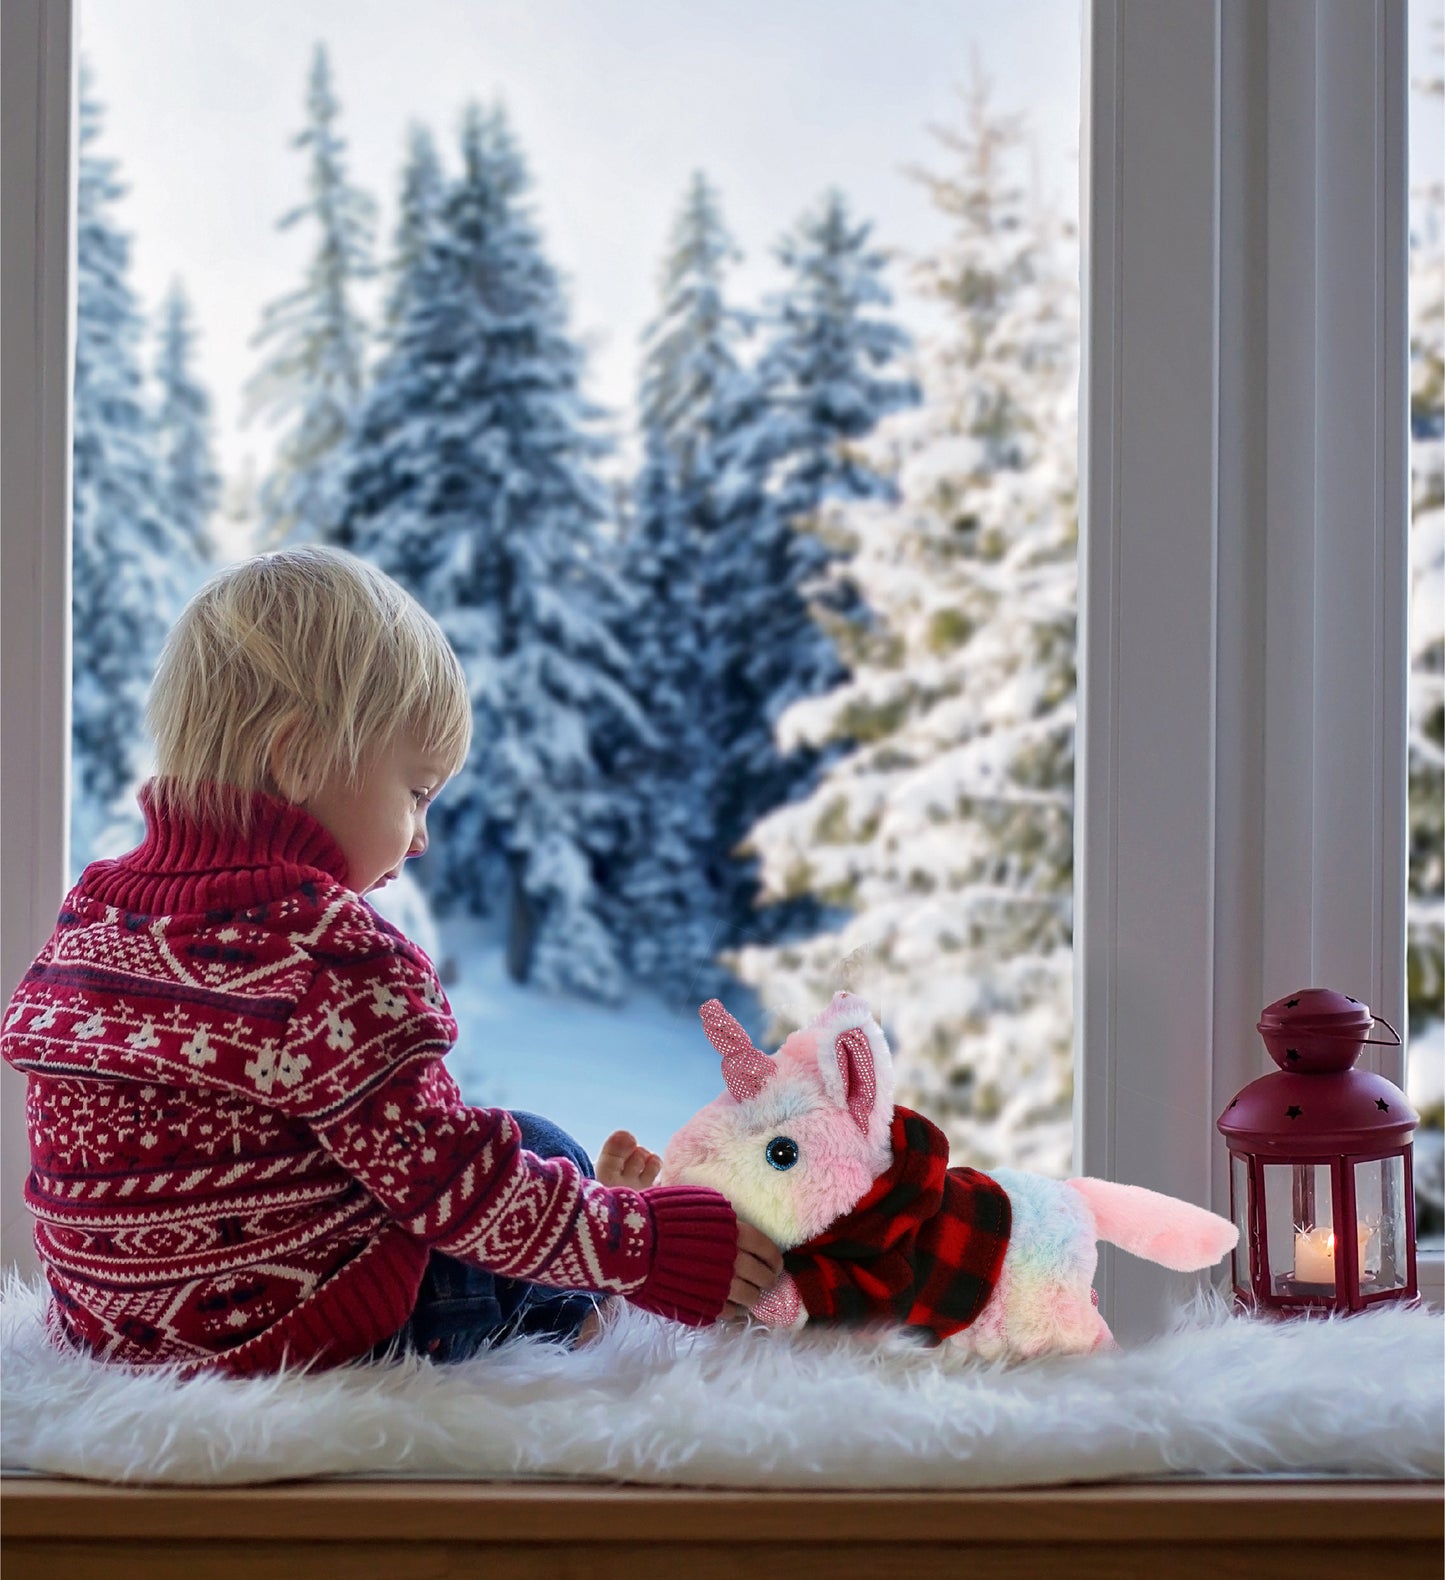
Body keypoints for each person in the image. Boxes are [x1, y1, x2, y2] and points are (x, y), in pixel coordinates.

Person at [1, 546, 780, 1373]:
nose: (419, 837)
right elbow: (452, 1187)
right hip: (301, 1332)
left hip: (109, 1329)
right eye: (414, 792)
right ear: (297, 757)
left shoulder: (95, 912)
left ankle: (583, 1244)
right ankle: (584, 1301)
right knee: (537, 1144)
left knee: (477, 1154)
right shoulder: (332, 954)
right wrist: (650, 1245)